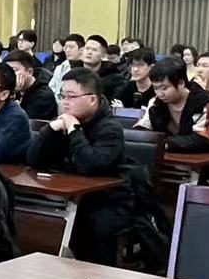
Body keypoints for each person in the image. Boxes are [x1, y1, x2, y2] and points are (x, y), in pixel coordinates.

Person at [27, 68, 132, 264]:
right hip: (67, 193)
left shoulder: (110, 128)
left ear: (92, 99)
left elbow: (89, 165)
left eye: (71, 97)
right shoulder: (63, 122)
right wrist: (50, 129)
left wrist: (74, 130)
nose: (65, 102)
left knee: (95, 226)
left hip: (105, 199)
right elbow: (33, 159)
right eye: (62, 96)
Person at [136, 59, 209, 150]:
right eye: (156, 88)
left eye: (164, 88)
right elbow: (142, 129)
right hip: (163, 155)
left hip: (203, 156)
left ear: (181, 83)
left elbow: (206, 139)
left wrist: (165, 143)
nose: (160, 94)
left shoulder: (205, 103)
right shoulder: (155, 103)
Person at [6, 50, 57, 121]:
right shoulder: (13, 89)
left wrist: (11, 93)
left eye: (14, 70)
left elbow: (22, 122)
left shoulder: (43, 95)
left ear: (29, 72)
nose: (9, 74)